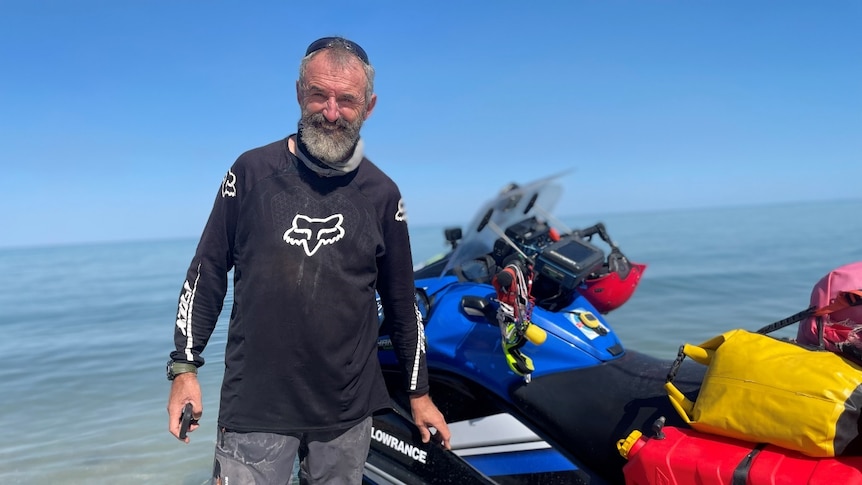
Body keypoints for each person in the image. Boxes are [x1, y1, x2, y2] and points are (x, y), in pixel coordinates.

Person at [166, 36, 451, 484]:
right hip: (255, 408)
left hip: (346, 413)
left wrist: (419, 393)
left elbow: (401, 302)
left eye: (347, 100)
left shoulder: (382, 195)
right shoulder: (251, 173)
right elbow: (207, 272)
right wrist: (184, 367)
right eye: (319, 94)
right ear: (300, 92)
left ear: (369, 106)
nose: (331, 112)